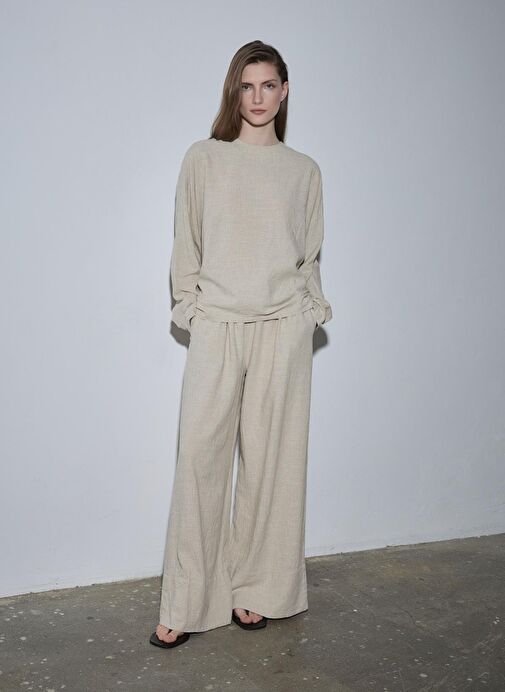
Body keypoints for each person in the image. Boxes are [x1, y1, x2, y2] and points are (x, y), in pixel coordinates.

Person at [150, 40, 332, 649]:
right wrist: (191, 309)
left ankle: (257, 590)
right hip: (219, 324)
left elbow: (309, 254)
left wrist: (309, 312)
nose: (258, 97)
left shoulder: (303, 170)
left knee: (273, 463)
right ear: (235, 92)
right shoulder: (205, 158)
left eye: (269, 85)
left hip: (283, 328)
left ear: (284, 91)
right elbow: (186, 243)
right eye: (247, 86)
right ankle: (187, 600)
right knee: (199, 461)